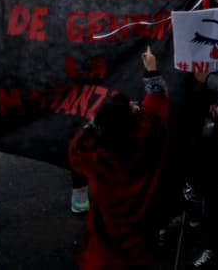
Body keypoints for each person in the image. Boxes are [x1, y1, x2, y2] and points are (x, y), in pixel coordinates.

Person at [68, 46, 169, 270]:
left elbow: (76, 150)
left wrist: (95, 124)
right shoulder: (147, 138)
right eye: (132, 107)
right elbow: (157, 103)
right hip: (141, 244)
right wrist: (151, 71)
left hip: (104, 251)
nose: (135, 104)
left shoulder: (97, 160)